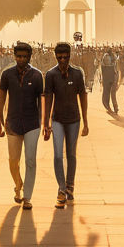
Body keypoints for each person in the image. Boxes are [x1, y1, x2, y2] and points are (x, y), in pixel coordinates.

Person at [0, 42, 45, 210]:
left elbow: (42, 100)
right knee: (13, 161)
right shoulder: (7, 74)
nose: (21, 59)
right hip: (13, 123)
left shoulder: (37, 75)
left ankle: (27, 196)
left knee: (30, 161)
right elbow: (1, 97)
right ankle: (18, 184)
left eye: (24, 56)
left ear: (29, 57)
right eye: (18, 56)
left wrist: (44, 123)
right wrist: (0, 122)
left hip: (32, 123)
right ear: (14, 56)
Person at [43, 42, 89, 209]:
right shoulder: (51, 75)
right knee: (57, 155)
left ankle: (70, 186)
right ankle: (61, 189)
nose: (62, 60)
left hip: (74, 120)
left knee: (71, 154)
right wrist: (45, 122)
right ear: (56, 57)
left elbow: (83, 96)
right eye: (59, 57)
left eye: (65, 57)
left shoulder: (77, 74)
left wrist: (86, 121)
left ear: (70, 56)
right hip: (57, 120)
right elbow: (48, 98)